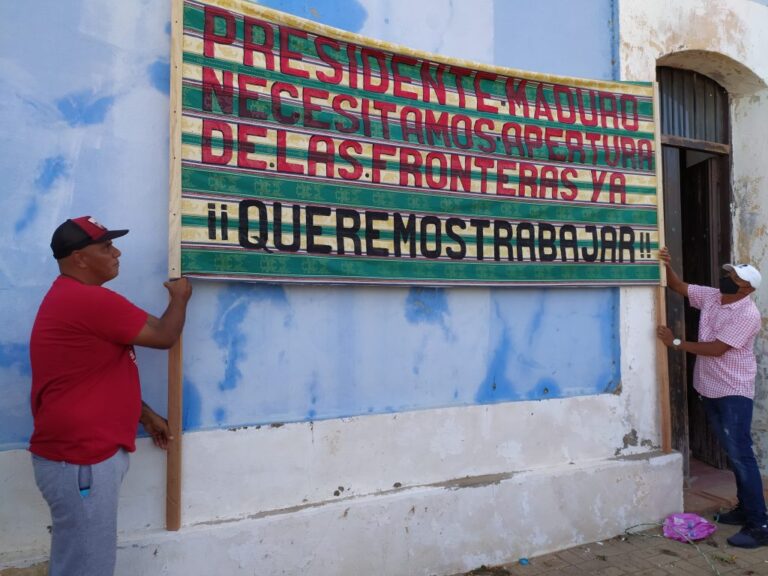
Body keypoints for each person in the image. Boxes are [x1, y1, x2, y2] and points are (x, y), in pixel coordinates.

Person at [29, 215, 193, 575]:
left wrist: (145, 414)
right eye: (106, 247)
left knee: (78, 560)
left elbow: (94, 375)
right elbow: (164, 335)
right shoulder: (86, 301)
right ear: (79, 258)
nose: (116, 253)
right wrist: (181, 297)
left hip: (77, 459)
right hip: (81, 460)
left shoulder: (81, 299)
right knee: (88, 566)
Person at [656, 246, 766, 548]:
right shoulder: (714, 297)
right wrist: (667, 265)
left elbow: (718, 348)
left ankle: (760, 525)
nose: (726, 278)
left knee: (741, 457)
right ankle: (745, 509)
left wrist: (675, 342)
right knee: (734, 455)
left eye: (733, 277)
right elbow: (678, 287)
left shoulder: (747, 314)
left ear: (746, 289)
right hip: (709, 386)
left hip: (733, 391)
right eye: (728, 273)